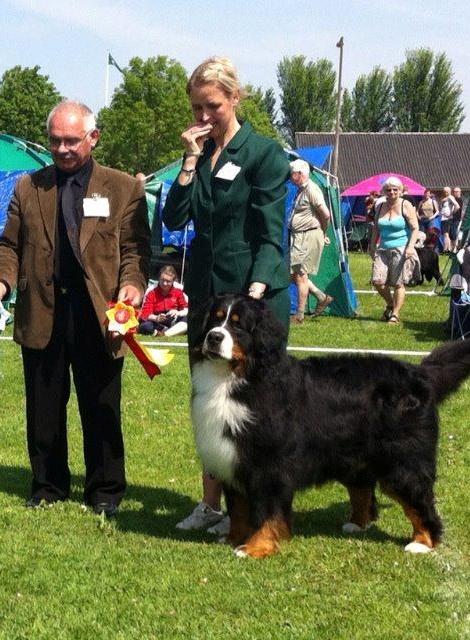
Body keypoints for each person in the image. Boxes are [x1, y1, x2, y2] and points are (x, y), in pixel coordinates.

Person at [0, 100, 151, 517]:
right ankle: (48, 484)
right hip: (42, 310)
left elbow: (135, 251)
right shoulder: (28, 187)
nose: (62, 149)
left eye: (72, 140)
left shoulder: (124, 188)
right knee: (43, 407)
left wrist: (131, 286)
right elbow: (8, 244)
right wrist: (1, 279)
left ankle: (106, 489)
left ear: (93, 138)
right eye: (55, 140)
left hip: (99, 316)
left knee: (102, 406)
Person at [163, 56, 290, 535]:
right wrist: (190, 160)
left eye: (211, 106)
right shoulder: (198, 155)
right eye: (196, 107)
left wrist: (253, 296)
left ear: (234, 99)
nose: (202, 117)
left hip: (251, 301)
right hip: (206, 298)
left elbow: (269, 234)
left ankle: (257, 507)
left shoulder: (262, 154)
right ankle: (212, 505)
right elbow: (174, 219)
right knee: (208, 402)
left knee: (257, 410)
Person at [288, 159, 334, 323]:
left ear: (299, 174)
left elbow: (326, 214)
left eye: (291, 173)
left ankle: (299, 315)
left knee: (300, 275)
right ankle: (321, 297)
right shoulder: (301, 190)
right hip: (299, 236)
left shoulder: (312, 189)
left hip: (307, 235)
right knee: (292, 275)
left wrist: (323, 232)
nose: (290, 177)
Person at [369, 176, 419, 324]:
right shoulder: (379, 206)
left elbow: (415, 228)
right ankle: (391, 304)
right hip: (383, 248)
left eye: (395, 189)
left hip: (401, 248)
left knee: (398, 283)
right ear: (384, 191)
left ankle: (395, 314)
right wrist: (372, 246)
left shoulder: (406, 205)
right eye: (388, 190)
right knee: (377, 281)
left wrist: (410, 247)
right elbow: (376, 228)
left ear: (400, 191)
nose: (391, 192)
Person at [138, 265, 188, 337]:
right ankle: (173, 331)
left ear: (173, 281)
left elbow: (186, 310)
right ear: (159, 278)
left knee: (188, 320)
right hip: (155, 320)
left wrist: (178, 312)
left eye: (168, 281)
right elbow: (145, 313)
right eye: (162, 280)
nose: (164, 283)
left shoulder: (179, 290)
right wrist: (156, 318)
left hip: (173, 319)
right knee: (145, 326)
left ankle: (164, 334)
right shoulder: (151, 291)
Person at [439, 186, 461, 253]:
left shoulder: (450, 197)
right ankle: (447, 249)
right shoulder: (446, 198)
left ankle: (446, 250)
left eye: (447, 192)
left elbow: (457, 206)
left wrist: (451, 213)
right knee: (446, 234)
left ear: (450, 191)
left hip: (446, 218)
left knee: (446, 234)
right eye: (444, 192)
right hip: (443, 218)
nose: (445, 193)